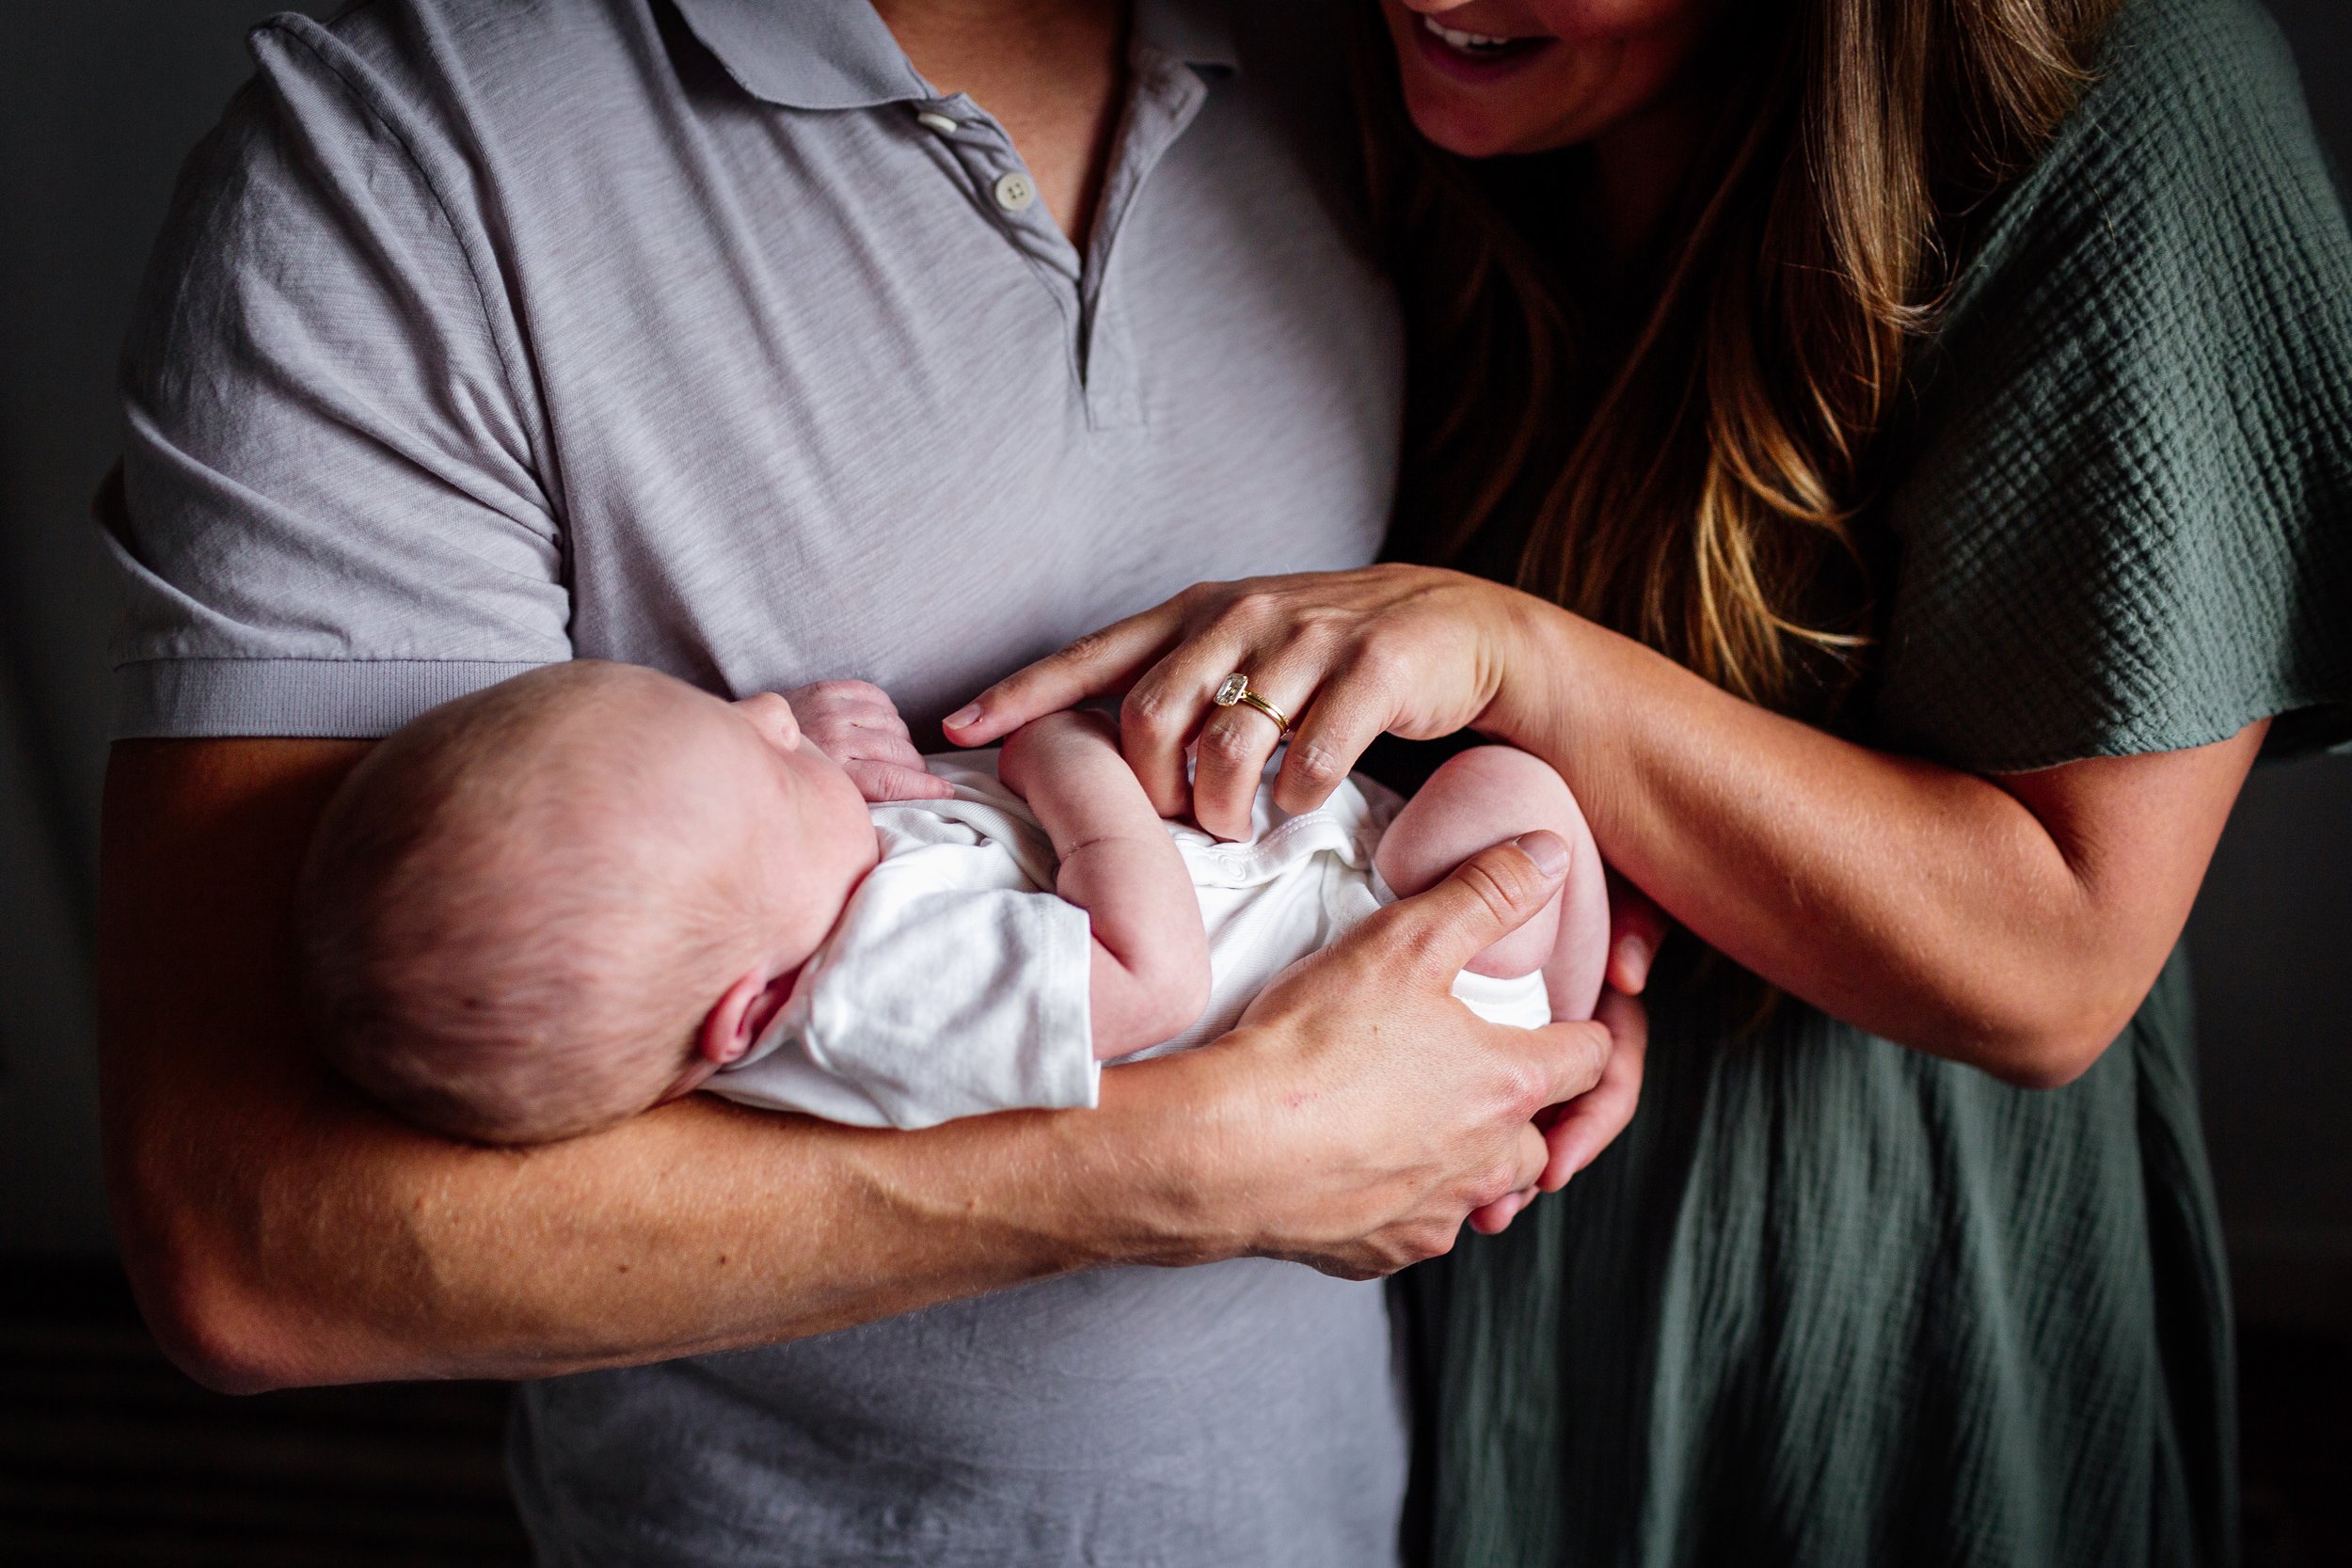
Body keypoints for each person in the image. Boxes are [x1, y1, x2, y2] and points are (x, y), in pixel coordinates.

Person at [94, 1, 1656, 1560]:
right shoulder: (403, 163)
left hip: (1321, 1494)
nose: (780, 724)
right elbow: (257, 1238)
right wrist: (1210, 1159)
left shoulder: (1401, 59)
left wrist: (1517, 999)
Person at [949, 0, 2352, 1560]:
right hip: (1433, 1296)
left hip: (1868, 1292)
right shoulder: (1342, 72)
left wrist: (1524, 665)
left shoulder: (2124, 97)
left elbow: (2057, 964)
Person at [295, 660, 1606, 1144]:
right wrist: (1072, 772)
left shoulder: (793, 922)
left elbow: (900, 837)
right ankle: (1584, 1009)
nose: (764, 710)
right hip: (1413, 982)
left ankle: (1594, 992)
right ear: (749, 1007)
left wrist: (831, 752)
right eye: (764, 759)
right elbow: (1150, 977)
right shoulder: (877, 993)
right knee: (1506, 794)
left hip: (1341, 877)